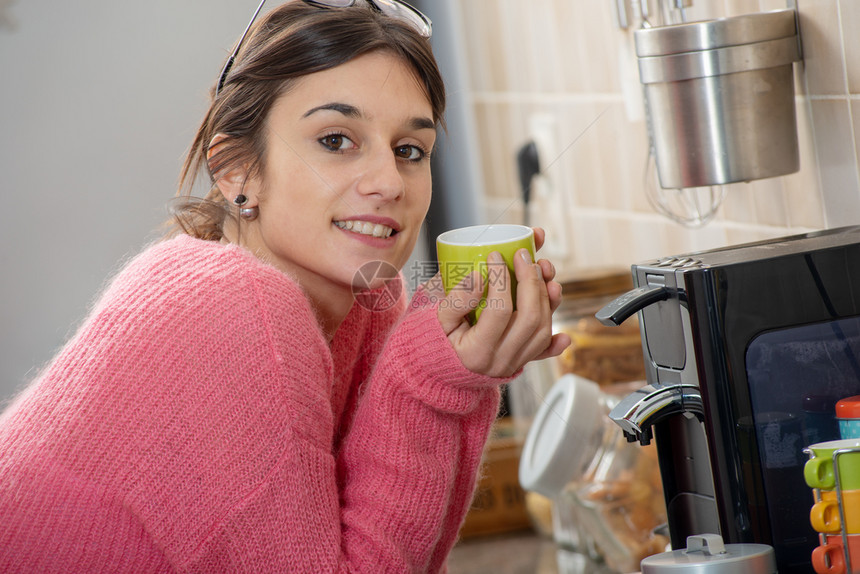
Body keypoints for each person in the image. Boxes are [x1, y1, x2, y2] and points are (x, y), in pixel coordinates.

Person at [0, 1, 569, 572]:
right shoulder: (229, 304)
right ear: (236, 171)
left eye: (409, 150)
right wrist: (422, 380)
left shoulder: (368, 303)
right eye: (335, 140)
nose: (389, 182)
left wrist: (461, 374)